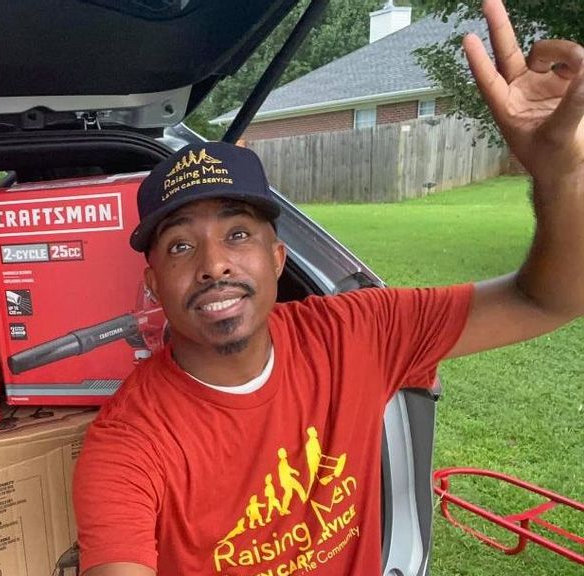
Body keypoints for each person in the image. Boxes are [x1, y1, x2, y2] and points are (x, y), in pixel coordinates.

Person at [71, 0, 584, 574]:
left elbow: (548, 299)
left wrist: (561, 176)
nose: (214, 265)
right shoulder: (128, 443)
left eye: (238, 233)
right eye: (181, 246)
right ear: (154, 286)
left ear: (278, 256)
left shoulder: (358, 332)